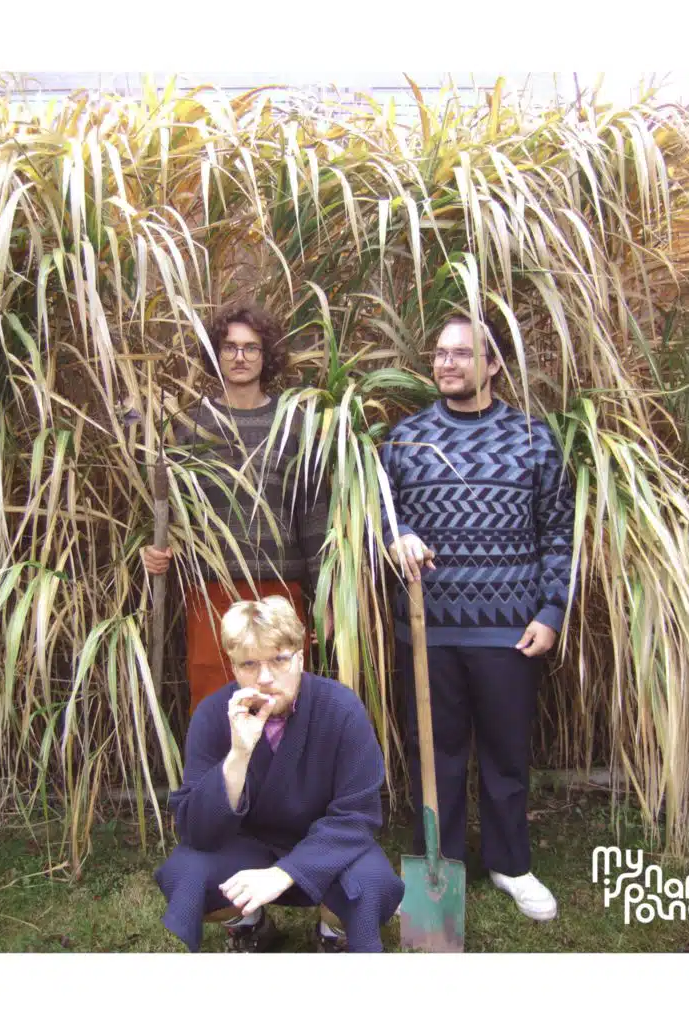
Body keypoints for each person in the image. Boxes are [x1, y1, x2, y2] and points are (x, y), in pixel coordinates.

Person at [379, 312, 575, 922]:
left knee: (506, 753)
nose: (447, 363)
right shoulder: (405, 440)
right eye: (440, 353)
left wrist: (551, 609)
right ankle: (438, 865)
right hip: (427, 631)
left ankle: (509, 863)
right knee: (432, 755)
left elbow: (559, 532)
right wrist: (397, 535)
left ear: (493, 364)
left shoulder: (533, 439)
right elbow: (379, 513)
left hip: (510, 630)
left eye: (462, 354)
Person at [153, 597, 404, 952]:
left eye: (279, 660)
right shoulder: (212, 715)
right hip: (247, 848)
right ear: (233, 667)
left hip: (327, 847)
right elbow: (196, 831)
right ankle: (248, 926)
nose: (265, 678)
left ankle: (334, 934)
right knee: (186, 874)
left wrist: (285, 873)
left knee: (372, 880)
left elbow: (357, 817)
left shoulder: (342, 709)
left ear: (300, 657)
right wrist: (238, 755)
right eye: (249, 664)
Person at [142, 302, 329, 713]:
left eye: (250, 348)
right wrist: (155, 551)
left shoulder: (294, 424)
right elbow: (173, 515)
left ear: (266, 356)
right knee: (215, 705)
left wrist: (325, 601)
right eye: (229, 347)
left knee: (282, 705)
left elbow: (314, 516)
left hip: (281, 590)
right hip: (212, 592)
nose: (239, 357)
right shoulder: (190, 426)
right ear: (216, 354)